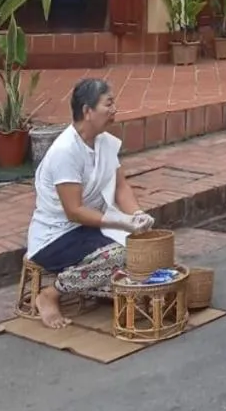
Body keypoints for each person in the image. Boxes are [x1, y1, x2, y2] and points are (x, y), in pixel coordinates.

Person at [26, 78, 153, 329]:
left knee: (144, 249)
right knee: (120, 255)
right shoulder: (65, 151)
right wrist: (121, 221)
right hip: (56, 237)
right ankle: (51, 294)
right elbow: (74, 212)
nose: (114, 109)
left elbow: (120, 187)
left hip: (88, 230)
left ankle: (101, 287)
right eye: (108, 104)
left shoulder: (104, 142)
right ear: (87, 110)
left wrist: (137, 214)